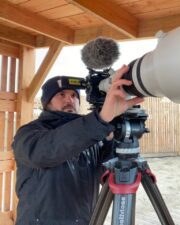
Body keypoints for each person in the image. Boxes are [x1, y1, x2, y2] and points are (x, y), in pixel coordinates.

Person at [12, 65, 144, 225]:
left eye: (74, 95)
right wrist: (100, 121)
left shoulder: (91, 133)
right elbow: (47, 151)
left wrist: (112, 139)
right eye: (61, 94)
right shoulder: (30, 132)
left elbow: (106, 178)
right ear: (47, 102)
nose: (70, 99)